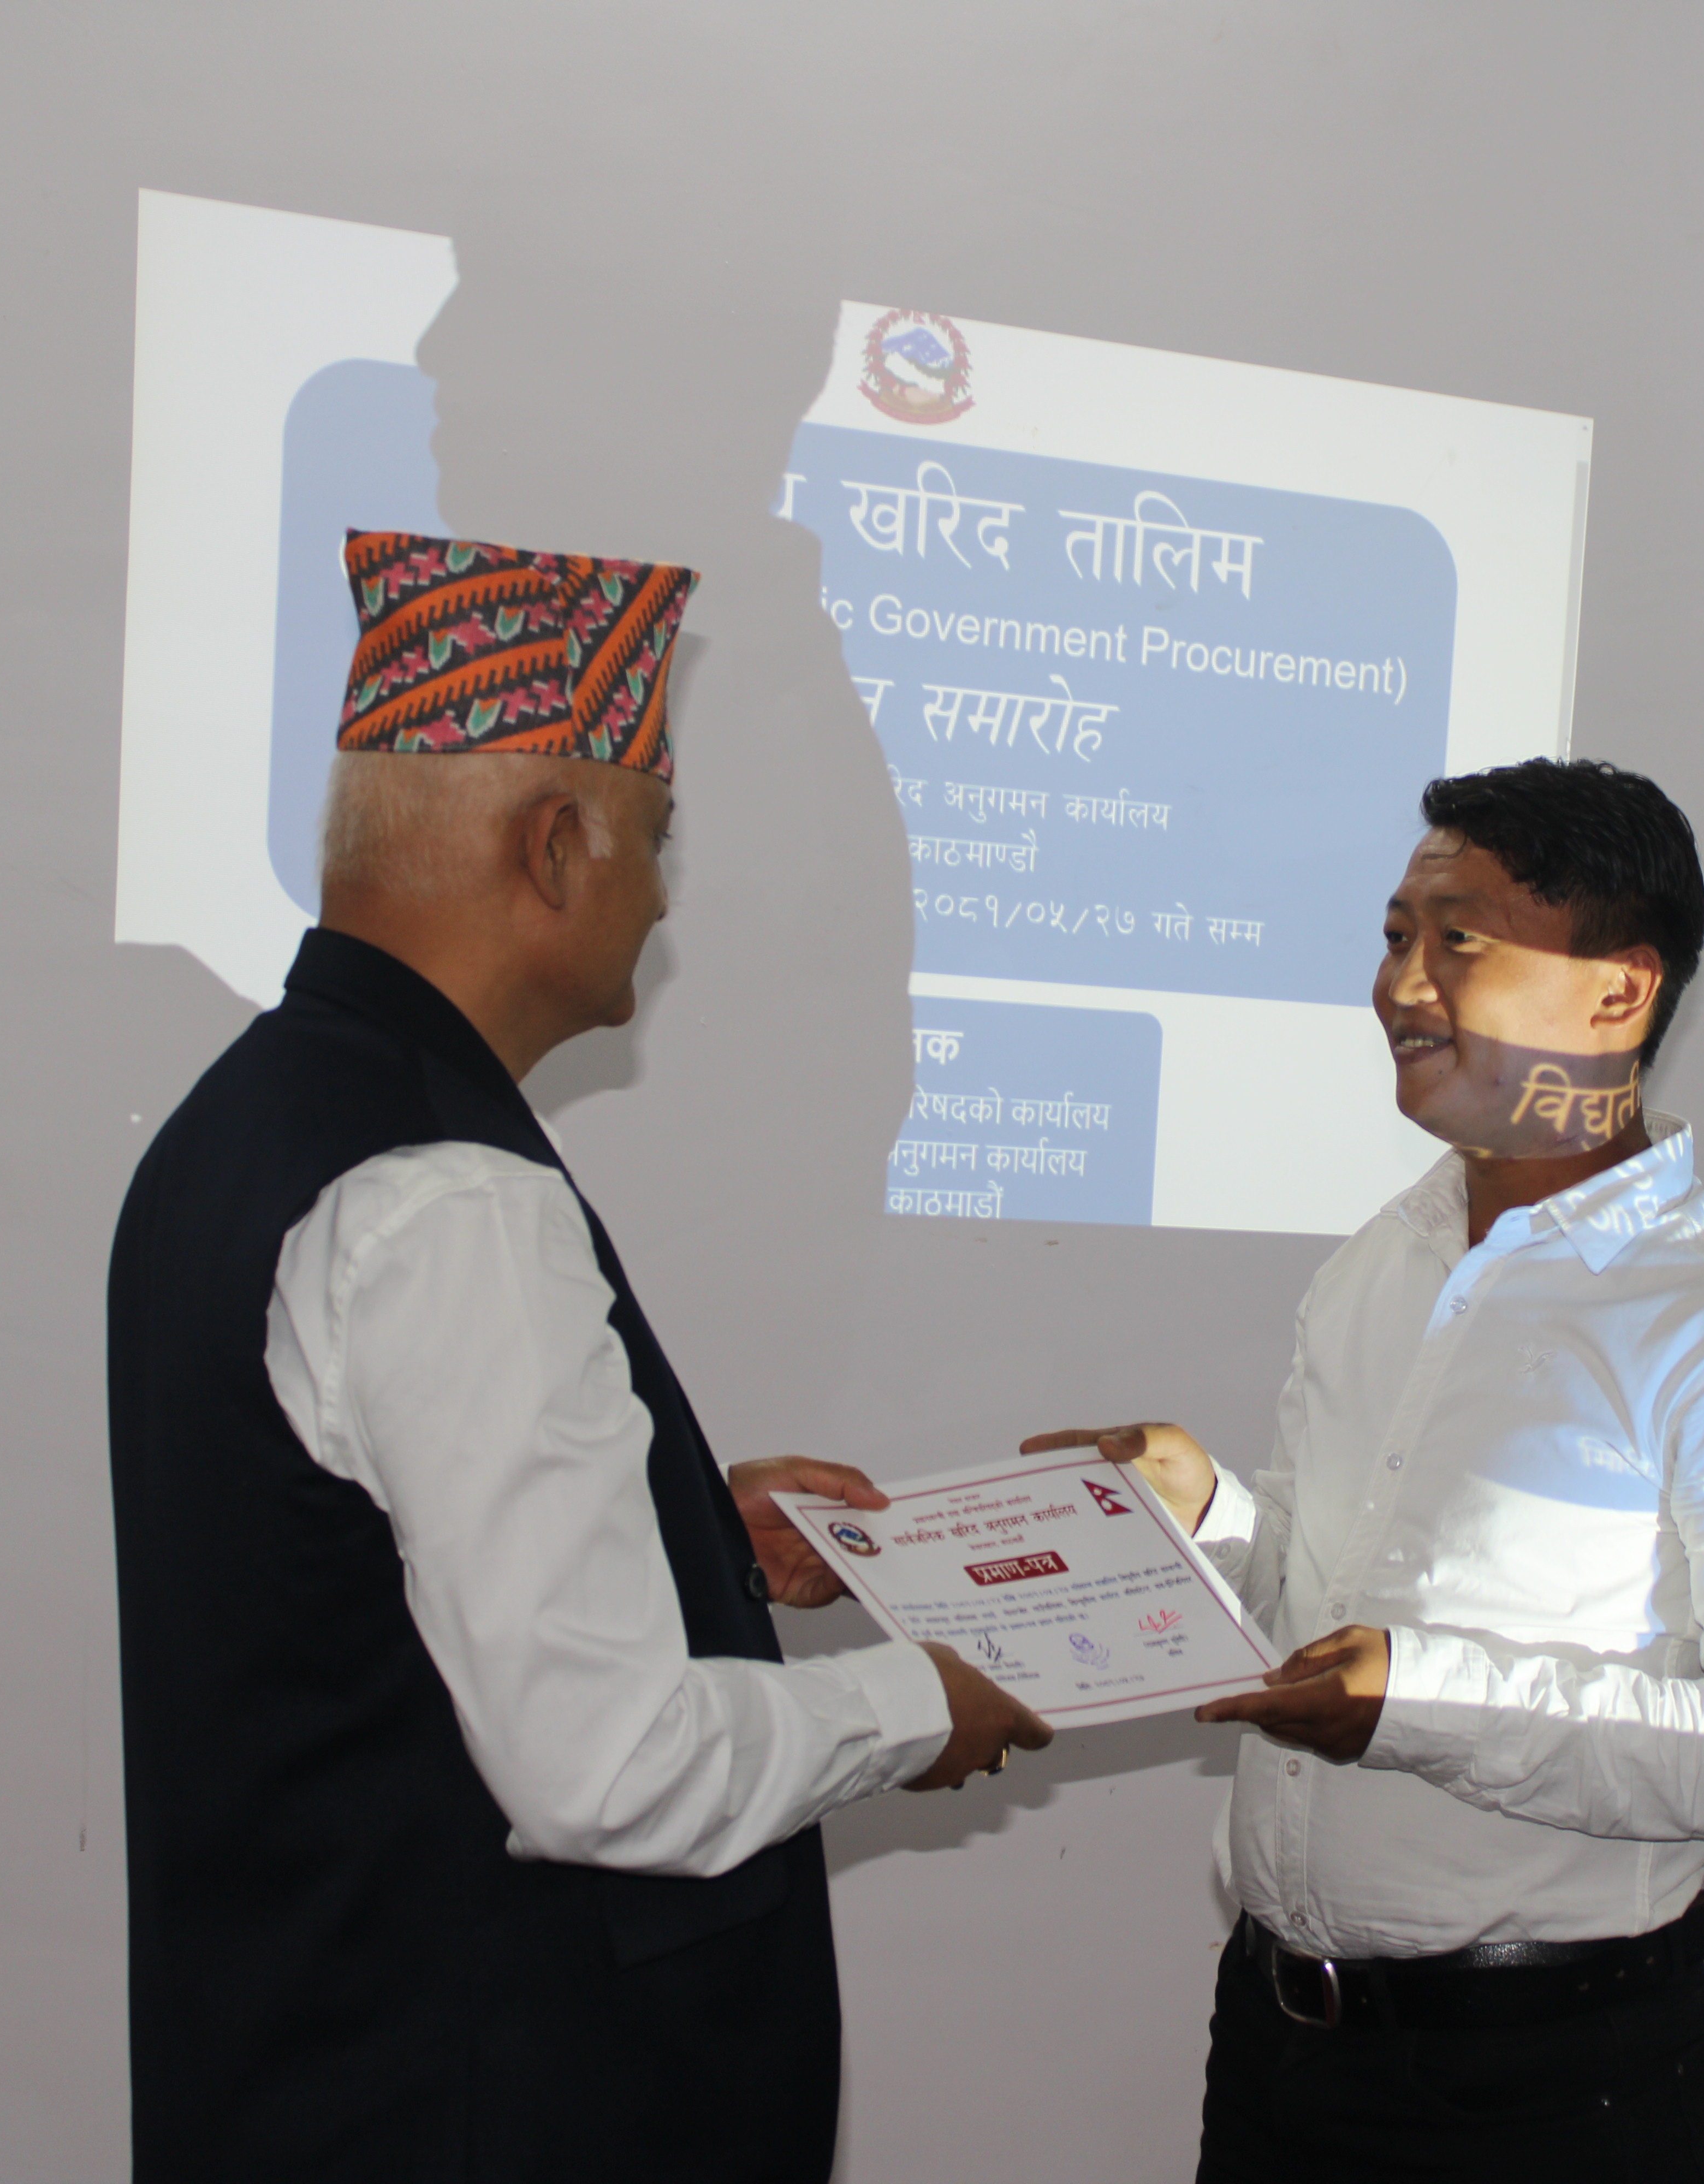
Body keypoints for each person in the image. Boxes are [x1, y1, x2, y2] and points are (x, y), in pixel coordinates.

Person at [108, 528, 1049, 2182]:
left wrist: (686, 1531)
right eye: (655, 840)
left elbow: (359, 1569)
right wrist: (922, 1701)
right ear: (554, 846)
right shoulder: (450, 1195)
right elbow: (609, 1772)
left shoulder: (247, 1124)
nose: (665, 898)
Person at [1026, 759, 1704, 2184]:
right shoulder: (1384, 1259)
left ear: (1619, 993)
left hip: (1547, 2086)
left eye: (1459, 942)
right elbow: (1318, 1604)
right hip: (1278, 2045)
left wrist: (1417, 1704)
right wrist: (1205, 1517)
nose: (1401, 986)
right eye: (1394, 936)